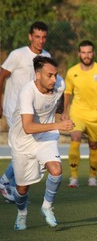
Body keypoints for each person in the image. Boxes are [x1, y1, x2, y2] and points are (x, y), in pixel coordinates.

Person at [9, 56, 74, 230]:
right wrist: (58, 124)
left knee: (57, 170)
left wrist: (63, 111)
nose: (54, 79)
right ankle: (22, 214)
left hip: (46, 136)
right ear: (38, 75)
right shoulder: (27, 92)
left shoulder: (60, 84)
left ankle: (47, 206)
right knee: (22, 189)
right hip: (23, 141)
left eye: (56, 75)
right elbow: (28, 127)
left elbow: (61, 100)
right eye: (49, 75)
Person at [0, 21, 50, 203]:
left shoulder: (46, 56)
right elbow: (1, 76)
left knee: (27, 151)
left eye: (44, 37)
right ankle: (6, 183)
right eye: (37, 36)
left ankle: (10, 186)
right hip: (14, 110)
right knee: (27, 150)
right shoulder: (18, 55)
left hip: (32, 114)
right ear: (30, 37)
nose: (40, 41)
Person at [62, 40, 97, 188]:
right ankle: (73, 178)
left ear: (93, 53)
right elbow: (67, 92)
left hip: (96, 116)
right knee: (75, 137)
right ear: (79, 54)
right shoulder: (72, 72)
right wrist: (65, 110)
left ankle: (92, 177)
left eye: (89, 52)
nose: (86, 55)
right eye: (83, 52)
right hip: (77, 113)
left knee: (93, 145)